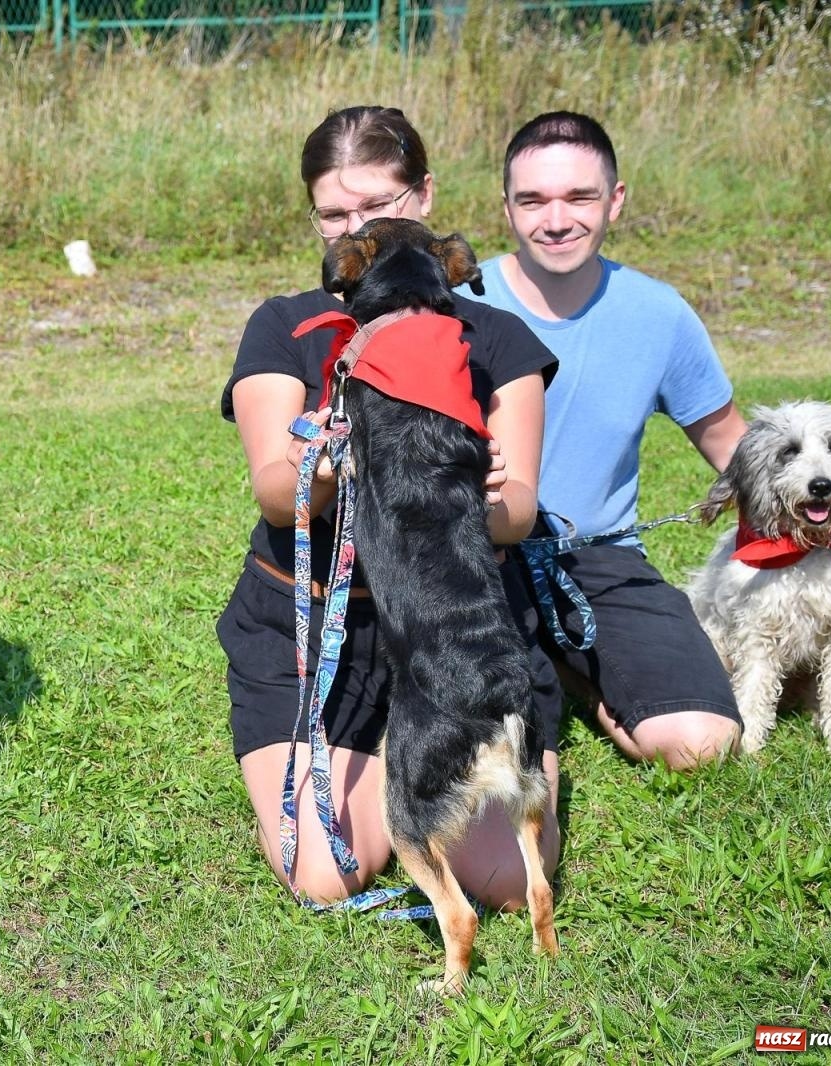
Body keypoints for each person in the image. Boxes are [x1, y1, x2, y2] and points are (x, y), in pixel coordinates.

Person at [217, 106, 560, 908]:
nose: (351, 232)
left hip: (454, 624)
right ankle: (370, 752)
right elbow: (276, 490)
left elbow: (517, 513)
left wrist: (470, 493)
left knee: (505, 886)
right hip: (313, 621)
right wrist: (334, 467)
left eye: (376, 207)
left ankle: (407, 753)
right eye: (332, 214)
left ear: (425, 195)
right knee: (327, 876)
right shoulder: (286, 325)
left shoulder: (495, 336)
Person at [462, 111, 746, 771]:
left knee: (702, 744)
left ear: (615, 201)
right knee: (476, 755)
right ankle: (553, 661)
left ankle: (581, 677)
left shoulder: (659, 314)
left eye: (579, 197)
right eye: (532, 200)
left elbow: (735, 444)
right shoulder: (454, 303)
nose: (555, 220)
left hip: (598, 560)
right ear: (506, 209)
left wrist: (830, 511)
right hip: (474, 554)